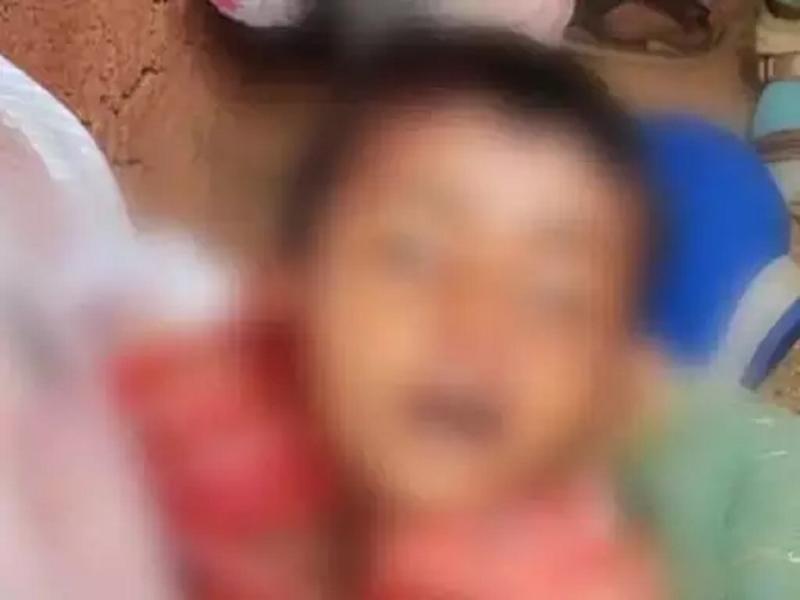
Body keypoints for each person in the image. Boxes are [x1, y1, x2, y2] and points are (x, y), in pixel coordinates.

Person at [122, 28, 800, 599]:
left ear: (611, 389)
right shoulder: (178, 423)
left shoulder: (573, 577)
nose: (477, 329)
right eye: (412, 254)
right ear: (289, 288)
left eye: (553, 296)